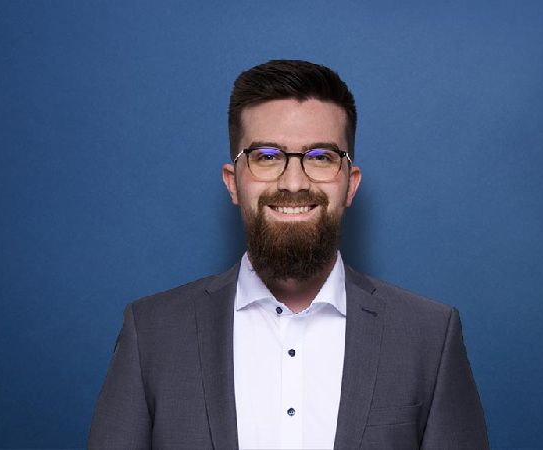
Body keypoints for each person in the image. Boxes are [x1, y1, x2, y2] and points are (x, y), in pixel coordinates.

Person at [89, 60, 489, 450]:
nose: (294, 183)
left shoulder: (429, 337)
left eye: (321, 157)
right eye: (266, 156)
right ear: (233, 182)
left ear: (350, 185)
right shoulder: (151, 333)